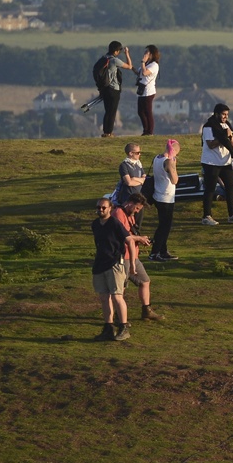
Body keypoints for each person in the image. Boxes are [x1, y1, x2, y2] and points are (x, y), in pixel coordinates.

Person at [90, 197, 132, 341]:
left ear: (110, 208)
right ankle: (108, 327)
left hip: (114, 263)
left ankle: (124, 326)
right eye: (98, 207)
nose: (100, 210)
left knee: (117, 296)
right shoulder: (95, 224)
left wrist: (131, 262)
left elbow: (129, 240)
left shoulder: (114, 223)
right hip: (100, 263)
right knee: (103, 296)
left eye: (103, 207)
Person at [117, 194, 161, 323]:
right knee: (121, 288)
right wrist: (140, 239)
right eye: (136, 208)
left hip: (133, 256)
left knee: (144, 281)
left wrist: (141, 239)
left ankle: (146, 310)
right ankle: (119, 316)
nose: (137, 211)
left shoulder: (129, 215)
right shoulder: (119, 214)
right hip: (123, 256)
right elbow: (124, 236)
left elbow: (131, 234)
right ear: (130, 203)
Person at [199, 103, 233, 225]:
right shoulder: (208, 127)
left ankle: (232, 214)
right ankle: (206, 216)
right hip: (211, 162)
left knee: (230, 187)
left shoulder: (227, 125)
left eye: (227, 115)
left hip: (225, 162)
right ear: (216, 114)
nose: (225, 117)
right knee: (210, 188)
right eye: (223, 114)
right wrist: (223, 137)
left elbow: (232, 142)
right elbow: (210, 144)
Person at [90, 42, 131, 137]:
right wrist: (127, 54)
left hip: (104, 88)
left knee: (107, 111)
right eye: (119, 51)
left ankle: (105, 132)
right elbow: (129, 66)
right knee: (112, 111)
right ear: (116, 51)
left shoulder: (103, 59)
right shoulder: (114, 60)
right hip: (114, 89)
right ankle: (109, 132)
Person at [148, 139, 180, 263]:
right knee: (164, 227)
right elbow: (175, 180)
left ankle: (163, 250)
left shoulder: (157, 158)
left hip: (158, 194)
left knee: (164, 225)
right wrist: (174, 164)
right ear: (175, 151)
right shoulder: (168, 162)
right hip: (166, 197)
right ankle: (154, 252)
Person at [135, 45, 161, 136]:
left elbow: (145, 73)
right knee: (140, 111)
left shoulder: (154, 65)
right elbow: (139, 72)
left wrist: (143, 61)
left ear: (152, 54)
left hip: (148, 91)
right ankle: (145, 130)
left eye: (147, 52)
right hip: (141, 91)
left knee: (147, 111)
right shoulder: (147, 63)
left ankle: (149, 132)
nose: (145, 54)